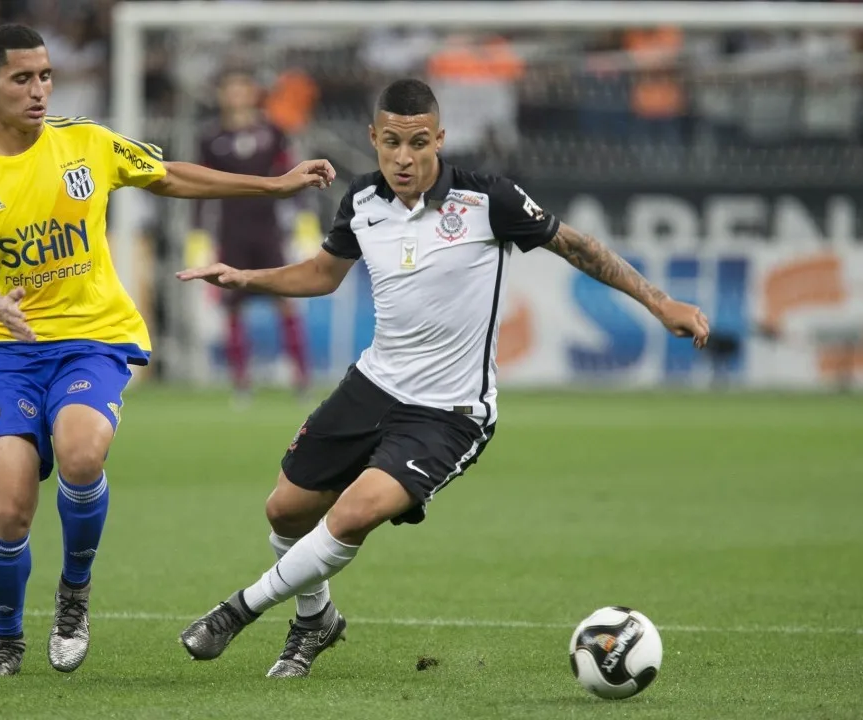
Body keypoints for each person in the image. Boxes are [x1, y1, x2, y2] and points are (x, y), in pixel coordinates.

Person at [175, 78, 709, 678]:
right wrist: (246, 278)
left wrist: (660, 303)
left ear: (440, 139)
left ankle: (235, 611)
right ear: (374, 139)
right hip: (373, 385)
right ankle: (315, 620)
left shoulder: (489, 200)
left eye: (419, 143)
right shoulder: (362, 202)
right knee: (285, 511)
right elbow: (324, 274)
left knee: (353, 513)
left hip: (448, 412)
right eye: (392, 144)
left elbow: (578, 247)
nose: (405, 158)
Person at [0, 24, 334, 678]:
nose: (38, 90)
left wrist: (271, 185)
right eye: (21, 78)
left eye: (44, 75)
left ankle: (74, 593)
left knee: (82, 452)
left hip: (92, 337)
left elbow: (169, 175)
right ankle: (6, 642)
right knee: (7, 509)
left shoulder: (86, 142)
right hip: (9, 350)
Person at [191, 69, 312, 403]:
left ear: (252, 93)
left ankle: (302, 379)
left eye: (242, 88)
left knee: (286, 302)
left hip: (269, 229)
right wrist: (199, 235)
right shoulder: (211, 138)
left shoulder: (273, 132)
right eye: (230, 89)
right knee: (232, 308)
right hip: (232, 233)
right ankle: (241, 383)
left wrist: (304, 224)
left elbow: (293, 174)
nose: (237, 95)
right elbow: (200, 186)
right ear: (221, 95)